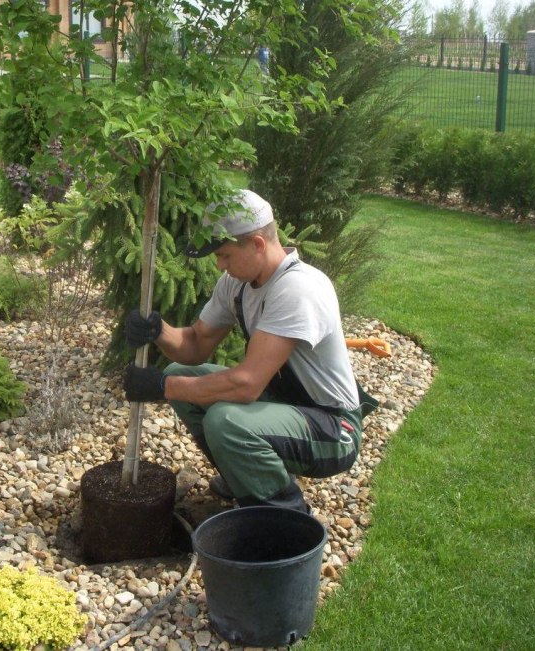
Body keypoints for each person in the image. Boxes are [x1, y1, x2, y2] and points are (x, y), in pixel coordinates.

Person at [123, 190, 375, 514]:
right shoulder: (237, 283)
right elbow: (196, 343)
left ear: (257, 243)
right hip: (284, 405)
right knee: (179, 373)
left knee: (226, 422)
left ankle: (286, 518)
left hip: (333, 427)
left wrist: (161, 387)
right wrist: (158, 331)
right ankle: (244, 475)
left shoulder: (298, 289)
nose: (219, 265)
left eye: (225, 255)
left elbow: (246, 384)